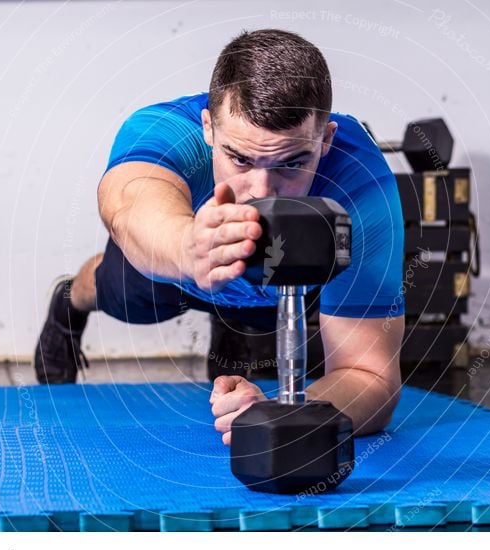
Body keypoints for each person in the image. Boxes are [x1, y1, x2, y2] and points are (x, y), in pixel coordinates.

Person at [34, 28, 405, 445]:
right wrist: (188, 249)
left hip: (286, 291)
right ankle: (69, 303)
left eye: (292, 163)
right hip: (174, 268)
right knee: (112, 290)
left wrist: (289, 416)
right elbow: (125, 206)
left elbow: (369, 374)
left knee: (304, 339)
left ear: (326, 140)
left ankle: (230, 320)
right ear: (209, 128)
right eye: (240, 159)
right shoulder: (168, 129)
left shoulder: (360, 185)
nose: (262, 192)